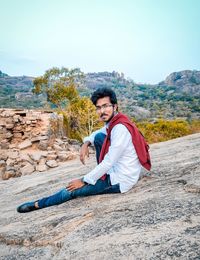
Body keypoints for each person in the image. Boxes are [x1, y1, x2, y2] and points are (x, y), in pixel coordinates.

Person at [17, 87, 151, 213]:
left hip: (120, 180)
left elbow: (109, 161)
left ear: (115, 106)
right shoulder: (115, 122)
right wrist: (85, 143)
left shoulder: (119, 128)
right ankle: (99, 177)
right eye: (98, 108)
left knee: (72, 190)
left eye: (105, 106)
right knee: (98, 137)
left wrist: (84, 180)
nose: (102, 111)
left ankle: (38, 204)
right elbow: (99, 132)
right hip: (117, 170)